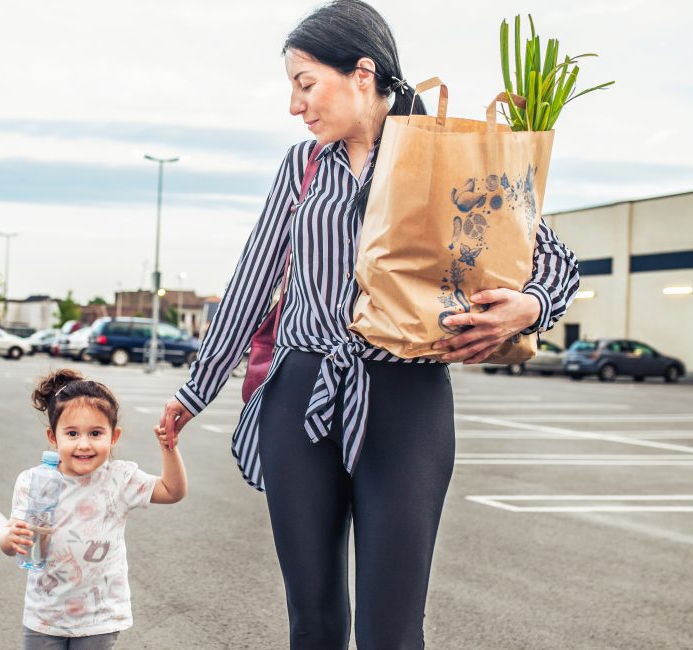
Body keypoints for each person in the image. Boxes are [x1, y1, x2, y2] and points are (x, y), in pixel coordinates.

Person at [157, 2, 580, 648]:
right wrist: (194, 394)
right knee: (315, 622)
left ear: (361, 73)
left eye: (305, 85)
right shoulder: (301, 169)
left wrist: (531, 306)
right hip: (300, 397)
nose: (295, 107)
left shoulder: (449, 159)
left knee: (392, 631)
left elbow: (553, 261)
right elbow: (250, 284)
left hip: (406, 404)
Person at [1, 369, 188, 649]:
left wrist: (169, 449)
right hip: (44, 614)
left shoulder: (119, 479)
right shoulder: (34, 481)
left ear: (113, 437)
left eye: (96, 433)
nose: (84, 444)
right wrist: (8, 540)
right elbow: (13, 538)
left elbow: (172, 491)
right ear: (53, 437)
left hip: (99, 618)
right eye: (72, 433)